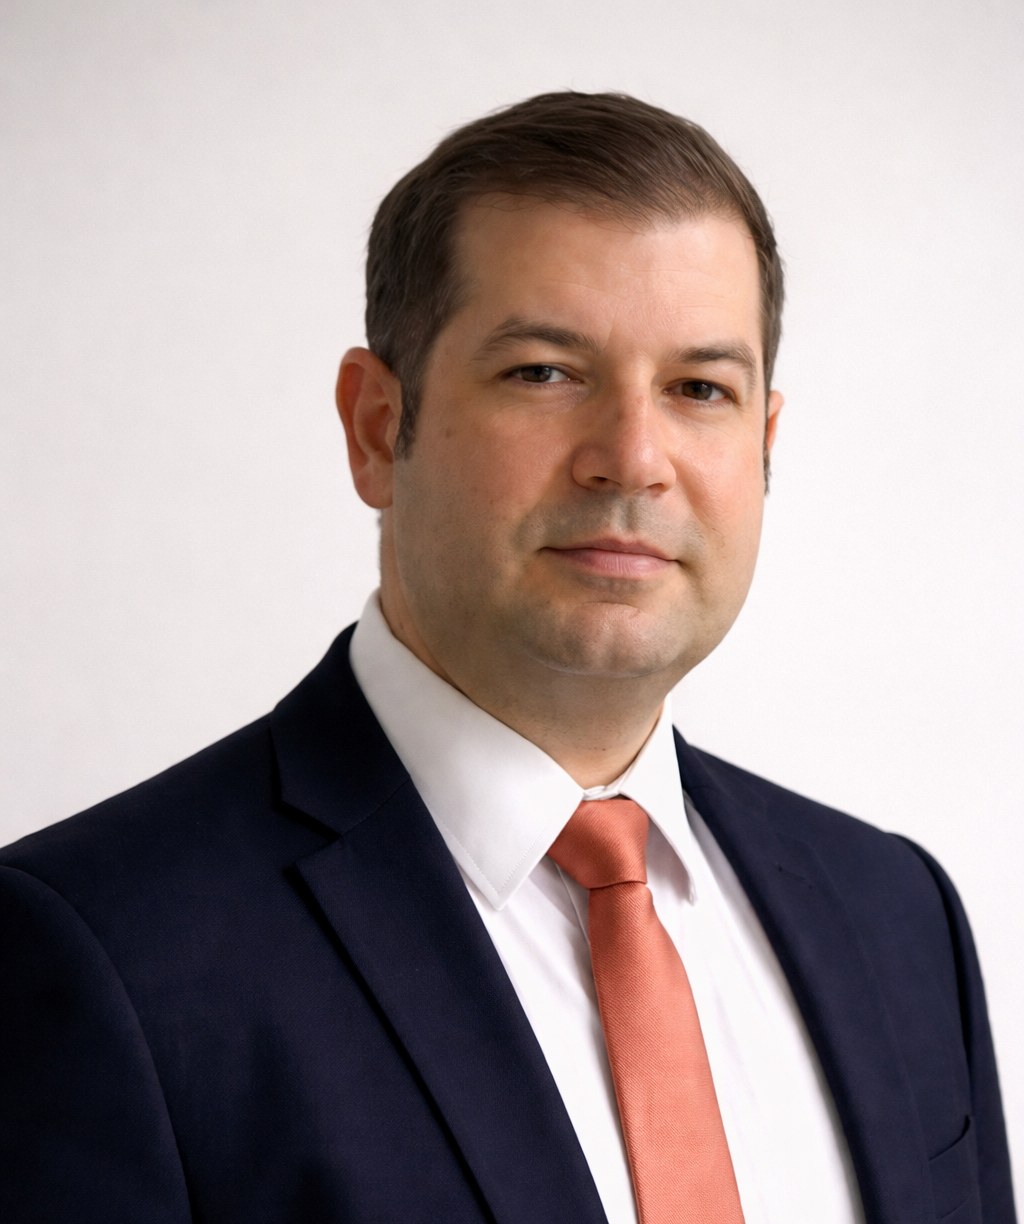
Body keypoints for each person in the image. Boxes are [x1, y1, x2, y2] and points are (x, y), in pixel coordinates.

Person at [0, 91, 1013, 1224]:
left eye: (698, 390)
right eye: (545, 372)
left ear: (764, 445)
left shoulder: (897, 916)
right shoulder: (102, 952)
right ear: (379, 427)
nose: (632, 459)